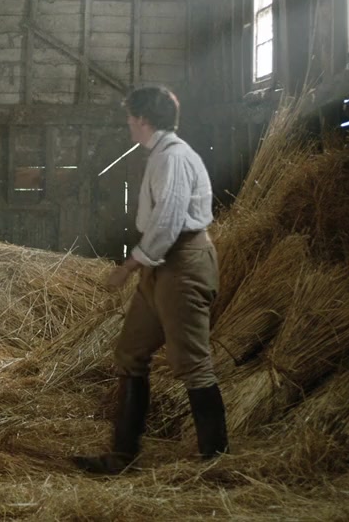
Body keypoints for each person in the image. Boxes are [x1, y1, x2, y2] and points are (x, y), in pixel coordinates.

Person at [73, 86, 228, 474]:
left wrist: (129, 266)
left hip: (183, 262)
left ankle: (216, 464)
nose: (127, 122)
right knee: (131, 352)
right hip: (161, 265)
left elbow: (169, 222)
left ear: (143, 119)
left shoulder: (173, 158)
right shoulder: (159, 155)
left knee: (192, 363)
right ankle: (122, 457)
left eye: (130, 116)